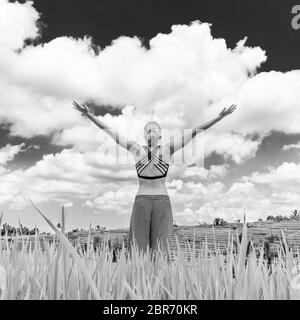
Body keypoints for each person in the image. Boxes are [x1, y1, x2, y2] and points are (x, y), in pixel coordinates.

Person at [72, 101, 237, 260]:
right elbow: (112, 132)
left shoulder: (167, 149)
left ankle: (159, 285)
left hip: (162, 202)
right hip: (141, 201)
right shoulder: (136, 149)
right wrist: (89, 115)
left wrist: (219, 118)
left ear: (160, 134)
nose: (149, 133)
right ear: (144, 135)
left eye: (153, 130)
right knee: (138, 249)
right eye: (146, 131)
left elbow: (194, 132)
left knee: (161, 249)